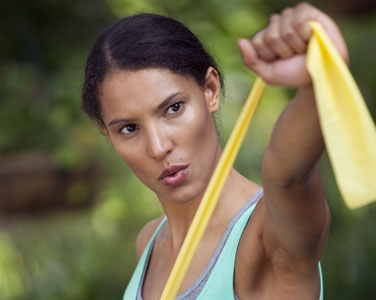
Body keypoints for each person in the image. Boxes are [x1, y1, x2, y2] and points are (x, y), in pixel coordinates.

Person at [82, 2, 348, 299]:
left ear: (210, 89)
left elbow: (288, 176)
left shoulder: (267, 236)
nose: (158, 147)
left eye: (173, 108)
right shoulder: (150, 241)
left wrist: (317, 81)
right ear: (107, 133)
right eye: (128, 129)